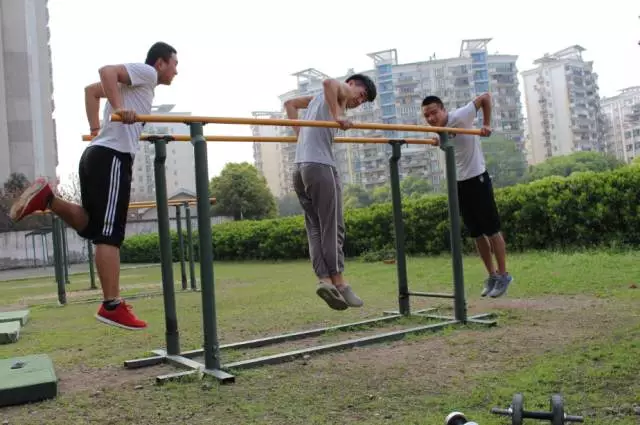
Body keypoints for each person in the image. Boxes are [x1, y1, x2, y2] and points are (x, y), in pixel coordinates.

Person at [10, 42, 179, 329]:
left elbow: (91, 91)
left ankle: (48, 199)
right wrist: (120, 109)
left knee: (91, 226)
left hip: (95, 154)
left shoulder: (134, 85)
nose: (176, 71)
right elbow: (106, 71)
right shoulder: (148, 74)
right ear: (160, 63)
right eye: (174, 64)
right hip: (113, 157)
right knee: (109, 235)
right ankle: (112, 305)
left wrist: (94, 130)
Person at [284, 74, 377, 311]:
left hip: (300, 169)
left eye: (364, 101)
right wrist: (338, 116)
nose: (359, 101)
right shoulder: (341, 91)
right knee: (333, 226)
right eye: (362, 94)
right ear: (352, 84)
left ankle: (324, 280)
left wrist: (299, 135)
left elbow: (290, 104)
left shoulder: (317, 99)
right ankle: (340, 283)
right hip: (320, 167)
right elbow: (329, 82)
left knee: (315, 227)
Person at [420, 93, 513, 298]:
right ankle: (492, 275)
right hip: (459, 184)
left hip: (477, 178)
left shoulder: (461, 116)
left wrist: (486, 124)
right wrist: (437, 140)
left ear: (443, 110)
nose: (431, 118)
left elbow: (486, 97)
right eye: (427, 116)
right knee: (476, 234)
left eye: (434, 113)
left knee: (492, 230)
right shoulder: (439, 130)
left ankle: (504, 275)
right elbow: (448, 141)